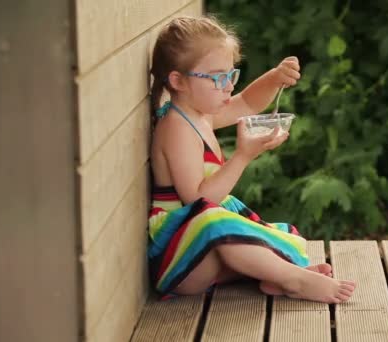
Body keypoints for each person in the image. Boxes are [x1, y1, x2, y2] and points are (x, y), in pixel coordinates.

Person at [147, 15, 355, 304]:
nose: (228, 86)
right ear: (178, 81)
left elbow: (246, 103)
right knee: (216, 221)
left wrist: (273, 78)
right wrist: (243, 156)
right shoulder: (176, 128)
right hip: (177, 257)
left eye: (231, 75)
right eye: (218, 77)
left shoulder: (200, 112)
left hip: (202, 249)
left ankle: (273, 275)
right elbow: (197, 201)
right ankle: (292, 279)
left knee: (270, 233)